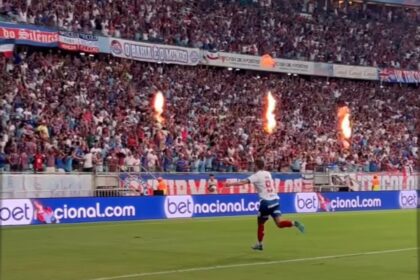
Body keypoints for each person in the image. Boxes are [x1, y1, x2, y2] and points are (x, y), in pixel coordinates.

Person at [224, 158, 305, 251]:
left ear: (257, 166)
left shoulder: (256, 176)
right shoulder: (268, 173)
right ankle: (294, 223)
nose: (253, 166)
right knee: (279, 223)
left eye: (254, 165)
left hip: (266, 202)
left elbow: (242, 182)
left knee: (260, 223)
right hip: (275, 200)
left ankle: (260, 244)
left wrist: (229, 184)